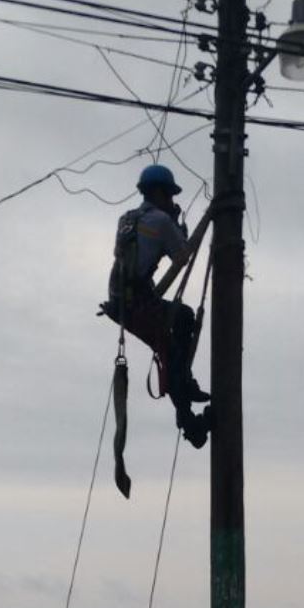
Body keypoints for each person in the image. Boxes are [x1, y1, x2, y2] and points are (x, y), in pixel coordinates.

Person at [103, 164, 212, 449]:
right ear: (161, 193)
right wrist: (177, 225)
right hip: (137, 300)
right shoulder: (162, 221)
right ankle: (190, 423)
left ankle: (185, 393)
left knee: (171, 343)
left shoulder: (126, 219)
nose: (173, 202)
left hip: (119, 297)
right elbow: (182, 255)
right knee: (178, 334)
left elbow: (129, 256)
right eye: (170, 196)